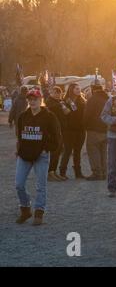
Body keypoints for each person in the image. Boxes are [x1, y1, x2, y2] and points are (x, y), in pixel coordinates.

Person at [15, 89, 61, 226]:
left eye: (35, 99)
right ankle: (25, 209)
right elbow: (19, 134)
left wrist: (46, 149)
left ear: (41, 100)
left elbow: (57, 137)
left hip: (41, 155)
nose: (32, 101)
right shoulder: (23, 116)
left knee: (41, 186)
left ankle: (39, 212)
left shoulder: (49, 116)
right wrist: (19, 149)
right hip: (24, 155)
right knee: (19, 184)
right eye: (30, 99)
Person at [59, 83, 87, 180]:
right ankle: (62, 172)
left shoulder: (82, 100)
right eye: (76, 88)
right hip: (69, 130)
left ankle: (78, 173)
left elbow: (77, 113)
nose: (79, 90)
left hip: (80, 130)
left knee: (77, 152)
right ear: (71, 90)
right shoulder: (65, 101)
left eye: (79, 88)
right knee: (67, 151)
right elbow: (68, 114)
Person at [83, 84, 109, 181]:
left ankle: (97, 173)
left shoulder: (92, 99)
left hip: (94, 129)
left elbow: (87, 115)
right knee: (103, 152)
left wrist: (85, 126)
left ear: (93, 90)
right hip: (106, 130)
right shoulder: (107, 99)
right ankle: (104, 172)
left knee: (93, 151)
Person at [45, 86, 70, 181]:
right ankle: (49, 172)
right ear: (51, 93)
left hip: (61, 129)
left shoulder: (59, 102)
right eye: (55, 92)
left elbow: (68, 112)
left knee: (58, 152)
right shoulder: (50, 102)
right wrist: (61, 105)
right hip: (53, 131)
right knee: (54, 152)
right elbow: (51, 108)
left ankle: (53, 171)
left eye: (59, 93)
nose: (57, 94)